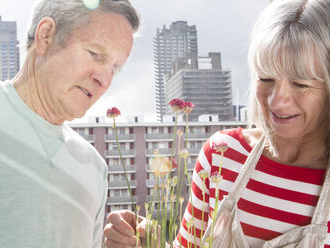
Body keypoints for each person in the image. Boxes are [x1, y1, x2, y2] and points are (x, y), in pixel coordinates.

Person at [103, 0, 330, 247]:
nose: (277, 101)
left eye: (301, 84)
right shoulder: (222, 154)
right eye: (265, 78)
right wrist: (149, 244)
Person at [0, 0, 139, 247]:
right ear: (46, 36)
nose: (104, 80)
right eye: (95, 54)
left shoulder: (95, 167)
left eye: (114, 69)